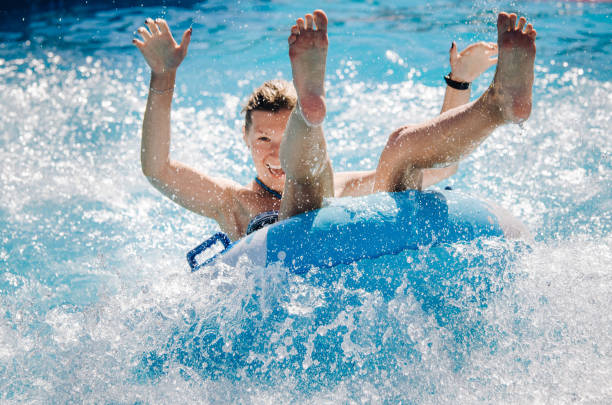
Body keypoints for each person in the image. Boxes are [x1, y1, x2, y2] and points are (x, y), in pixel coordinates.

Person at [133, 10, 535, 241]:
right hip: (286, 263)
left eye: (281, 136)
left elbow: (440, 168)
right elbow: (158, 170)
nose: (273, 153)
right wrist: (162, 78)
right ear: (245, 139)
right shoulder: (233, 203)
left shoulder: (342, 185)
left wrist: (459, 82)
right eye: (262, 138)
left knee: (399, 146)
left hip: (346, 258)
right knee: (306, 187)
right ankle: (308, 115)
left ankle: (498, 104)